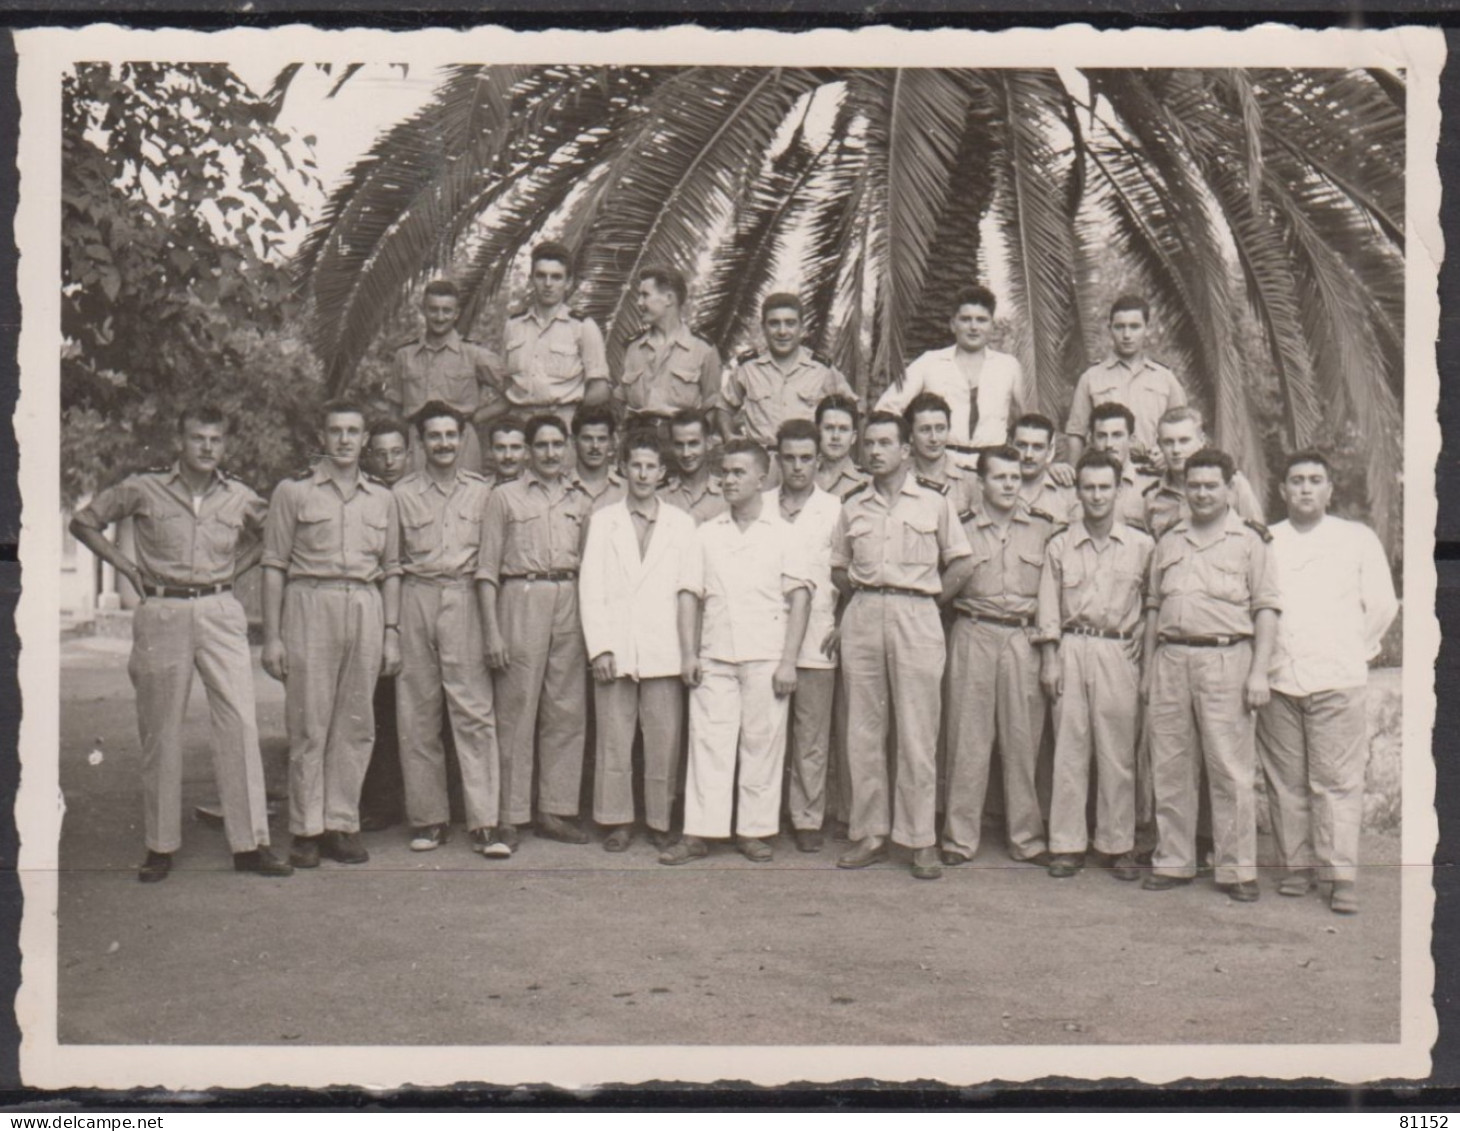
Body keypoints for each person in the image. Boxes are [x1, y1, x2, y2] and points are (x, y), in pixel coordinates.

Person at [69, 406, 292, 882]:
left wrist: (240, 566)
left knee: (238, 723)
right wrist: (125, 566)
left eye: (215, 439)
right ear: (180, 441)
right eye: (197, 438)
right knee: (160, 729)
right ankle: (160, 844)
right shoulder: (143, 488)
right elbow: (85, 521)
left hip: (219, 609)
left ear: (225, 445)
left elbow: (277, 532)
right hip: (163, 612)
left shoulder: (239, 496)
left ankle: (250, 844)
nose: (207, 447)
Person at [830, 411, 973, 880]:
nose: (874, 451)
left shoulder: (934, 504)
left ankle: (919, 838)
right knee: (864, 731)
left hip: (917, 614)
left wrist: (928, 601)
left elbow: (961, 564)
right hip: (866, 612)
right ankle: (870, 833)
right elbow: (838, 566)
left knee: (917, 731)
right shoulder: (853, 506)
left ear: (905, 450)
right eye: (868, 443)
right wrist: (864, 602)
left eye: (885, 443)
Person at [260, 400, 401, 868]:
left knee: (357, 724)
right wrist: (274, 637)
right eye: (335, 431)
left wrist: (391, 633)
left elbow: (393, 569)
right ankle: (306, 829)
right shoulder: (294, 492)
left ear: (365, 441)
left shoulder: (382, 498)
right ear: (322, 437)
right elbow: (275, 565)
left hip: (364, 603)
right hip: (310, 602)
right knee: (309, 722)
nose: (344, 439)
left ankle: (342, 823)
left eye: (353, 431)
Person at [1257, 451, 1398, 915]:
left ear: (1329, 489)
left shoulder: (1355, 539)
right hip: (1280, 677)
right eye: (1296, 480)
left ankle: (1340, 876)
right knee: (1286, 781)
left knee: (1335, 781)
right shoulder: (1267, 540)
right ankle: (1295, 868)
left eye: (1315, 480)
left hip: (1338, 676)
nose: (1305, 488)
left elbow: (1381, 604)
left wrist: (1354, 650)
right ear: (1283, 490)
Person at [660, 440, 812, 865]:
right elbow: (689, 593)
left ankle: (754, 830)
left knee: (761, 744)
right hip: (715, 655)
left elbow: (800, 598)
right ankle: (699, 833)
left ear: (762, 478)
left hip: (766, 656)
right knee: (709, 743)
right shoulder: (707, 533)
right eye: (724, 472)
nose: (728, 480)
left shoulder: (785, 534)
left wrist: (787, 661)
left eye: (738, 473)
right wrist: (689, 654)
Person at [1142, 448, 1280, 903]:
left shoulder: (1249, 542)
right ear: (1184, 487)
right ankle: (1174, 860)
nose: (1201, 493)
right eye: (1194, 485)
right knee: (1171, 765)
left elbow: (1265, 610)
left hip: (1227, 659)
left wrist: (1259, 673)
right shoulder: (1169, 540)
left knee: (1230, 769)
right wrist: (1147, 670)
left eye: (1210, 485)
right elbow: (1153, 607)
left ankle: (1237, 869)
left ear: (1228, 487)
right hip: (1171, 660)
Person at [391, 402, 508, 859]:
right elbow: (392, 561)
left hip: (464, 599)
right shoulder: (400, 495)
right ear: (421, 443)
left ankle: (484, 822)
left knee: (473, 711)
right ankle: (429, 819)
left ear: (463, 440)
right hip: (416, 595)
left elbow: (489, 563)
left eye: (450, 435)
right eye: (433, 436)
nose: (443, 444)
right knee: (417, 713)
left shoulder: (483, 494)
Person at [941, 445, 1061, 869]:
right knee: (966, 737)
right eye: (1000, 477)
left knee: (1023, 738)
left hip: (1022, 638)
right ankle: (959, 837)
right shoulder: (962, 526)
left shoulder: (1045, 528)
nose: (1010, 484)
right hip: (973, 630)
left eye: (1015, 477)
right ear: (981, 482)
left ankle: (1026, 838)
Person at [1037, 451, 1155, 881]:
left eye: (1105, 487)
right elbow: (1048, 606)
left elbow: (1155, 601)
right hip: (1072, 646)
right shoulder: (1059, 544)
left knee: (1117, 750)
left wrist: (1145, 628)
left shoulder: (1143, 546)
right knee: (1069, 748)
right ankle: (1067, 844)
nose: (1097, 495)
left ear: (1120, 489)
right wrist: (1049, 658)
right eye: (1088, 487)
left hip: (1119, 651)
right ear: (1077, 491)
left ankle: (1117, 843)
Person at [477, 413, 593, 849]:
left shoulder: (581, 500)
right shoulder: (504, 498)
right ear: (527, 451)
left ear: (567, 448)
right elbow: (487, 569)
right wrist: (492, 630)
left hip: (569, 595)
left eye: (556, 445)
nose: (549, 453)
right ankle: (510, 814)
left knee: (565, 709)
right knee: (516, 708)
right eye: (540, 445)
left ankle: (555, 810)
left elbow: (590, 564)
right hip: (520, 595)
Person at [579, 431, 698, 852]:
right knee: (614, 737)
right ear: (623, 468)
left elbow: (688, 589)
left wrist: (687, 652)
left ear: (663, 473)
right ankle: (617, 820)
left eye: (651, 466)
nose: (643, 473)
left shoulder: (682, 525)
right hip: (618, 647)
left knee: (663, 740)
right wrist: (601, 648)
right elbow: (590, 587)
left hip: (664, 648)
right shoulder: (603, 520)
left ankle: (660, 819)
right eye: (636, 465)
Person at [768, 419, 843, 853]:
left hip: (817, 634)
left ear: (819, 460)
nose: (797, 467)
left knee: (811, 734)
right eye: (789, 458)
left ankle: (807, 816)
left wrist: (842, 621)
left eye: (805, 458)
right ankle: (764, 813)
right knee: (765, 729)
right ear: (777, 459)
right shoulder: (758, 506)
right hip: (764, 636)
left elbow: (849, 572)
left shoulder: (835, 509)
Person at [876, 285, 1035, 470]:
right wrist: (906, 449)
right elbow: (886, 408)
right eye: (966, 319)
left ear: (992, 325)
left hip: (993, 468)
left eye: (981, 320)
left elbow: (1029, 421)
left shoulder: (1008, 366)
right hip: (940, 466)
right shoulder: (930, 362)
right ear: (953, 324)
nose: (974, 327)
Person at [358, 418, 411, 832]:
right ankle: (378, 800)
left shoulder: (415, 495)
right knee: (377, 706)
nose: (389, 461)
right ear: (368, 455)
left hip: (422, 610)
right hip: (374, 611)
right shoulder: (365, 498)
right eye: (381, 453)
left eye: (397, 452)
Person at [388, 279, 500, 475]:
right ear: (423, 310)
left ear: (456, 313)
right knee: (415, 500)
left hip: (461, 441)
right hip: (417, 442)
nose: (440, 317)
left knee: (465, 499)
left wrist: (478, 417)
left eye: (447, 311)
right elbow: (394, 410)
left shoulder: (474, 354)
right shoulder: (404, 355)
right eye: (433, 309)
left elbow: (514, 391)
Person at [498, 241, 610, 432]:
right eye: (541, 276)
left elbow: (600, 389)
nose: (548, 284)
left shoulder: (582, 327)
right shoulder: (513, 326)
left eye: (556, 277)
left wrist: (573, 419)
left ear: (568, 283)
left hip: (562, 424)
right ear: (531, 279)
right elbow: (506, 382)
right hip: (520, 425)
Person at [721, 293, 858, 449]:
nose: (782, 331)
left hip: (806, 461)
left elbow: (853, 409)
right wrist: (728, 436)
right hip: (760, 461)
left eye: (790, 323)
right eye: (774, 323)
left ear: (801, 327)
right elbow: (724, 406)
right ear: (763, 327)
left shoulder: (822, 370)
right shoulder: (747, 367)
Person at [1064, 295, 1187, 466]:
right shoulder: (1091, 378)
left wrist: (1166, 455)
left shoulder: (1165, 378)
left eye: (1134, 327)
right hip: (1105, 473)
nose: (1127, 335)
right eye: (1120, 327)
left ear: (1147, 329)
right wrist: (1074, 478)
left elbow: (1182, 428)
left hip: (1154, 472)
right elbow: (1076, 434)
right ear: (1110, 329)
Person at [617, 266, 722, 434]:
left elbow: (712, 407)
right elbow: (621, 403)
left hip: (680, 443)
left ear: (668, 298)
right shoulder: (632, 347)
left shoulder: (703, 349)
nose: (639, 302)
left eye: (645, 295)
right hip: (637, 440)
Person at [1144, 406, 1264, 538]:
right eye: (1168, 442)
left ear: (1201, 440)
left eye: (1184, 441)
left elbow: (1257, 538)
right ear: (1159, 445)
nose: (1176, 450)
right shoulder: (1153, 496)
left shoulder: (1234, 485)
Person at [902, 392, 981, 515]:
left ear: (948, 430)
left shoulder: (971, 481)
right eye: (925, 430)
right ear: (911, 436)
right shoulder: (898, 477)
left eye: (940, 429)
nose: (934, 438)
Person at [1087, 401, 1159, 532]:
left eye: (1117, 435)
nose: (1109, 444)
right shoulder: (1077, 485)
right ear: (1091, 441)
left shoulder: (1151, 485)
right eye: (1101, 436)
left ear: (1131, 440)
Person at [660, 409, 728, 525]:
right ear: (671, 446)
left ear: (709, 443)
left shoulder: (727, 495)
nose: (686, 453)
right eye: (679, 445)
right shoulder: (660, 499)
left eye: (693, 444)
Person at [1012, 413, 1078, 522]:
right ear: (1010, 445)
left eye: (1037, 447)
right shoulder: (991, 487)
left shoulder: (1068, 493)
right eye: (1022, 446)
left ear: (1049, 451)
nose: (1028, 455)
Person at [568, 402, 626, 513]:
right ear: (573, 441)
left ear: (611, 442)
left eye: (602, 439)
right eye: (587, 438)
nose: (595, 446)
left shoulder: (627, 491)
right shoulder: (561, 487)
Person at [814, 394, 868, 501]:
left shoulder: (867, 483)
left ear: (853, 437)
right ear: (817, 432)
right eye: (829, 428)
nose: (835, 436)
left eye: (843, 429)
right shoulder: (802, 476)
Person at [485, 416, 528, 490]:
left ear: (527, 452)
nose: (508, 455)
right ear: (490, 451)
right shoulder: (480, 489)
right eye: (500, 448)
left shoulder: (540, 488)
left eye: (515, 447)